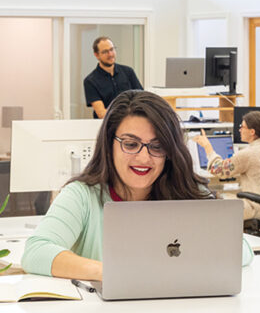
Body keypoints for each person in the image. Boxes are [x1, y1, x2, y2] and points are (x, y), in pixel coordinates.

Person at [22, 90, 212, 281]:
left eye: (157, 147)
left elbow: (231, 250)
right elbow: (36, 252)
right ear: (108, 144)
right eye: (130, 144)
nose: (144, 158)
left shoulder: (191, 194)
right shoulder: (82, 196)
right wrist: (113, 273)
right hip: (103, 300)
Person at [193, 110, 260, 221]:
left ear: (252, 131)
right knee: (227, 195)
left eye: (242, 126)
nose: (239, 130)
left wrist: (207, 146)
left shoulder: (248, 154)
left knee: (216, 200)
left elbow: (217, 169)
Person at [83, 36, 143, 119]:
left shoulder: (128, 72)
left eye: (112, 49)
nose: (110, 54)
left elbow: (141, 100)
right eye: (105, 52)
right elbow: (102, 114)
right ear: (96, 55)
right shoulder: (90, 81)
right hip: (107, 125)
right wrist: (128, 112)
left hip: (130, 122)